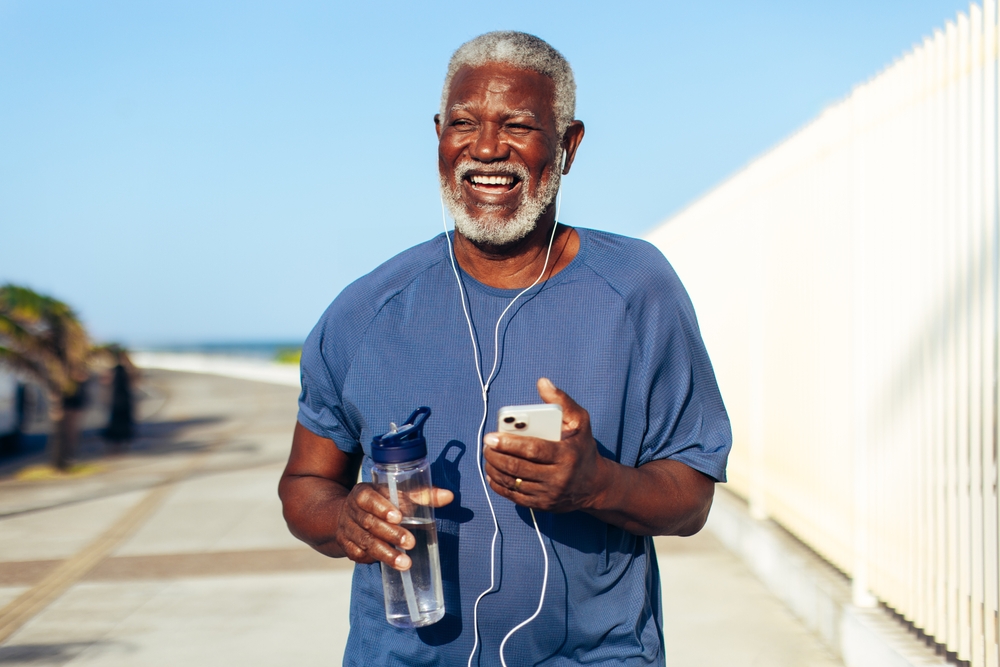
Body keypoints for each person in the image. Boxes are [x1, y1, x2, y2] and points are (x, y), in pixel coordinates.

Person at [279, 31, 732, 666]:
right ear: (439, 135)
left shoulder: (636, 289)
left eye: (517, 125)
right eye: (464, 123)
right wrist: (343, 520)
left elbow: (691, 499)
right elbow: (304, 486)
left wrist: (597, 484)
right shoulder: (365, 311)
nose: (486, 148)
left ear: (568, 146)